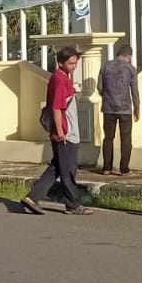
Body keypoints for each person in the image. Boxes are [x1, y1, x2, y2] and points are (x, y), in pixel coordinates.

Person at [20, 47, 93, 215]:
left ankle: (33, 197)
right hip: (66, 133)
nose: (74, 66)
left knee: (58, 167)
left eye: (75, 62)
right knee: (68, 170)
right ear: (60, 63)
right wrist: (61, 132)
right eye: (70, 63)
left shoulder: (60, 78)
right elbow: (57, 108)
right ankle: (73, 205)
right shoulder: (61, 80)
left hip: (64, 131)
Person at [97, 43, 139, 175]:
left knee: (108, 138)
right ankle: (124, 168)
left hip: (108, 108)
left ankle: (106, 168)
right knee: (126, 139)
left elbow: (99, 87)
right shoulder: (131, 68)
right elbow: (134, 91)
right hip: (125, 109)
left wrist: (107, 97)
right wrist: (137, 108)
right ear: (129, 56)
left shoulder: (105, 66)